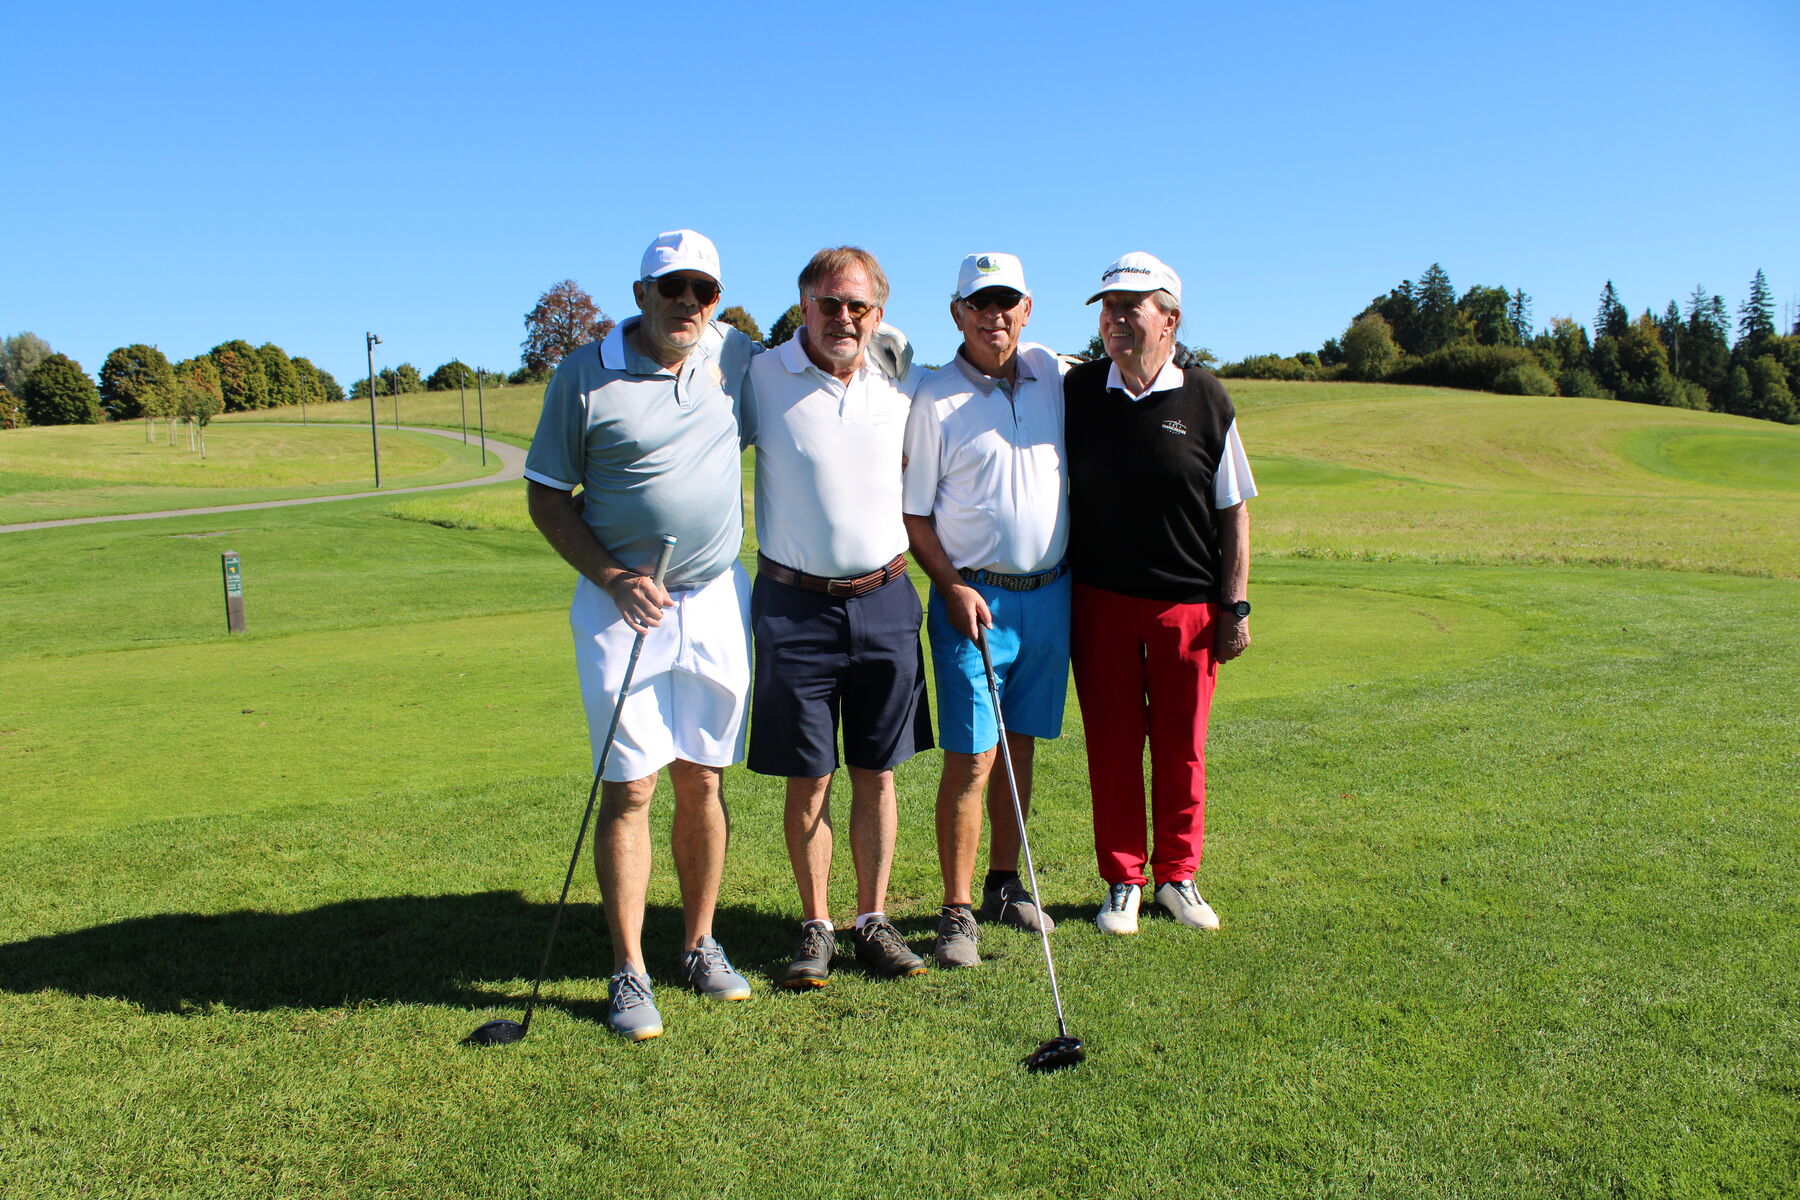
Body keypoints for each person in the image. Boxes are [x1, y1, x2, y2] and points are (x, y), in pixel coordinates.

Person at [522, 230, 756, 1040]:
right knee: (630, 787)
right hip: (621, 604)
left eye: (703, 290)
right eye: (672, 287)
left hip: (715, 596)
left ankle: (698, 944)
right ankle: (629, 969)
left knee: (704, 778)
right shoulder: (584, 374)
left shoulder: (736, 356)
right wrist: (612, 576)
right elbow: (546, 496)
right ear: (641, 293)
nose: (687, 302)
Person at [745, 246, 934, 988]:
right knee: (810, 778)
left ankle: (873, 920)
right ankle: (817, 924)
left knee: (877, 773)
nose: (843, 318)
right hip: (794, 606)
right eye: (829, 303)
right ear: (804, 306)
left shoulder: (900, 380)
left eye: (859, 306)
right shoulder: (761, 375)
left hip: (886, 599)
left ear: (878, 314)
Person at [1063, 252, 1256, 935]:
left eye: (1131, 307)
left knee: (1183, 747)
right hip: (1100, 601)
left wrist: (1235, 606)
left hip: (1188, 606)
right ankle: (1123, 880)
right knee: (1113, 746)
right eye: (1108, 308)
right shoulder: (1078, 390)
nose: (1115, 319)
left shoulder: (1207, 398)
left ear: (1169, 319)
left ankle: (1178, 876)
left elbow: (1234, 510)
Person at [901, 252, 1068, 968]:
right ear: (957, 313)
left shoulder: (1053, 374)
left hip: (1050, 594)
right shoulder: (934, 398)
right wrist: (950, 585)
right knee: (972, 757)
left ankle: (1004, 884)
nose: (993, 315)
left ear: (1026, 309)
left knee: (1019, 745)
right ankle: (957, 909)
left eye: (1006, 302)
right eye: (978, 303)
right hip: (974, 597)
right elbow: (914, 514)